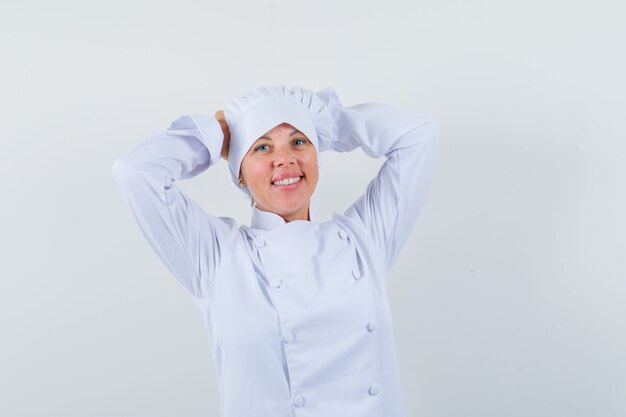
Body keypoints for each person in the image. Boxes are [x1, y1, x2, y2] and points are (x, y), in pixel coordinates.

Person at [111, 85, 440, 417]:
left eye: (299, 142)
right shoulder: (217, 257)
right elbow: (135, 173)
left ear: (318, 156)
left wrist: (328, 122)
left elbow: (419, 135)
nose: (285, 159)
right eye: (262, 147)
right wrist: (214, 134)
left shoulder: (364, 238)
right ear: (240, 174)